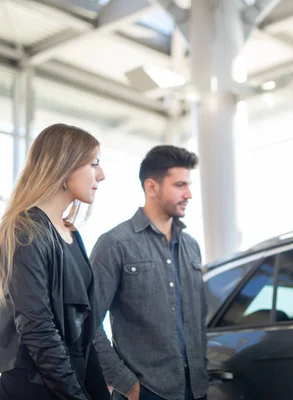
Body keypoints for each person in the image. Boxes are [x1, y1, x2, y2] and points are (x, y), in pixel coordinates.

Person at [0, 123, 108, 399]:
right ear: (65, 167)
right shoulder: (26, 230)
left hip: (69, 379)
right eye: (93, 164)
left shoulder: (71, 233)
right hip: (36, 388)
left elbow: (86, 331)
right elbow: (39, 331)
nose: (101, 175)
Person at [91, 145, 208, 400]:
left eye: (188, 185)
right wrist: (127, 385)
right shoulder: (115, 244)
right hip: (146, 392)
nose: (188, 194)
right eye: (179, 185)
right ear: (151, 187)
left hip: (195, 390)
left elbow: (199, 322)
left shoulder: (192, 247)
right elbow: (87, 323)